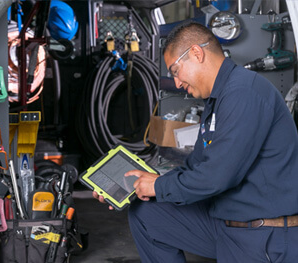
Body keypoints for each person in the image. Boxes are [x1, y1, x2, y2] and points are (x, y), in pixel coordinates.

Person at [93, 21, 298, 263]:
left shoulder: (244, 92)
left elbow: (217, 176)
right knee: (147, 213)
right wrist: (139, 183)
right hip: (228, 223)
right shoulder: (217, 101)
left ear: (196, 53)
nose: (177, 83)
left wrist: (157, 187)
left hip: (262, 233)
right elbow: (196, 167)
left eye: (176, 71)